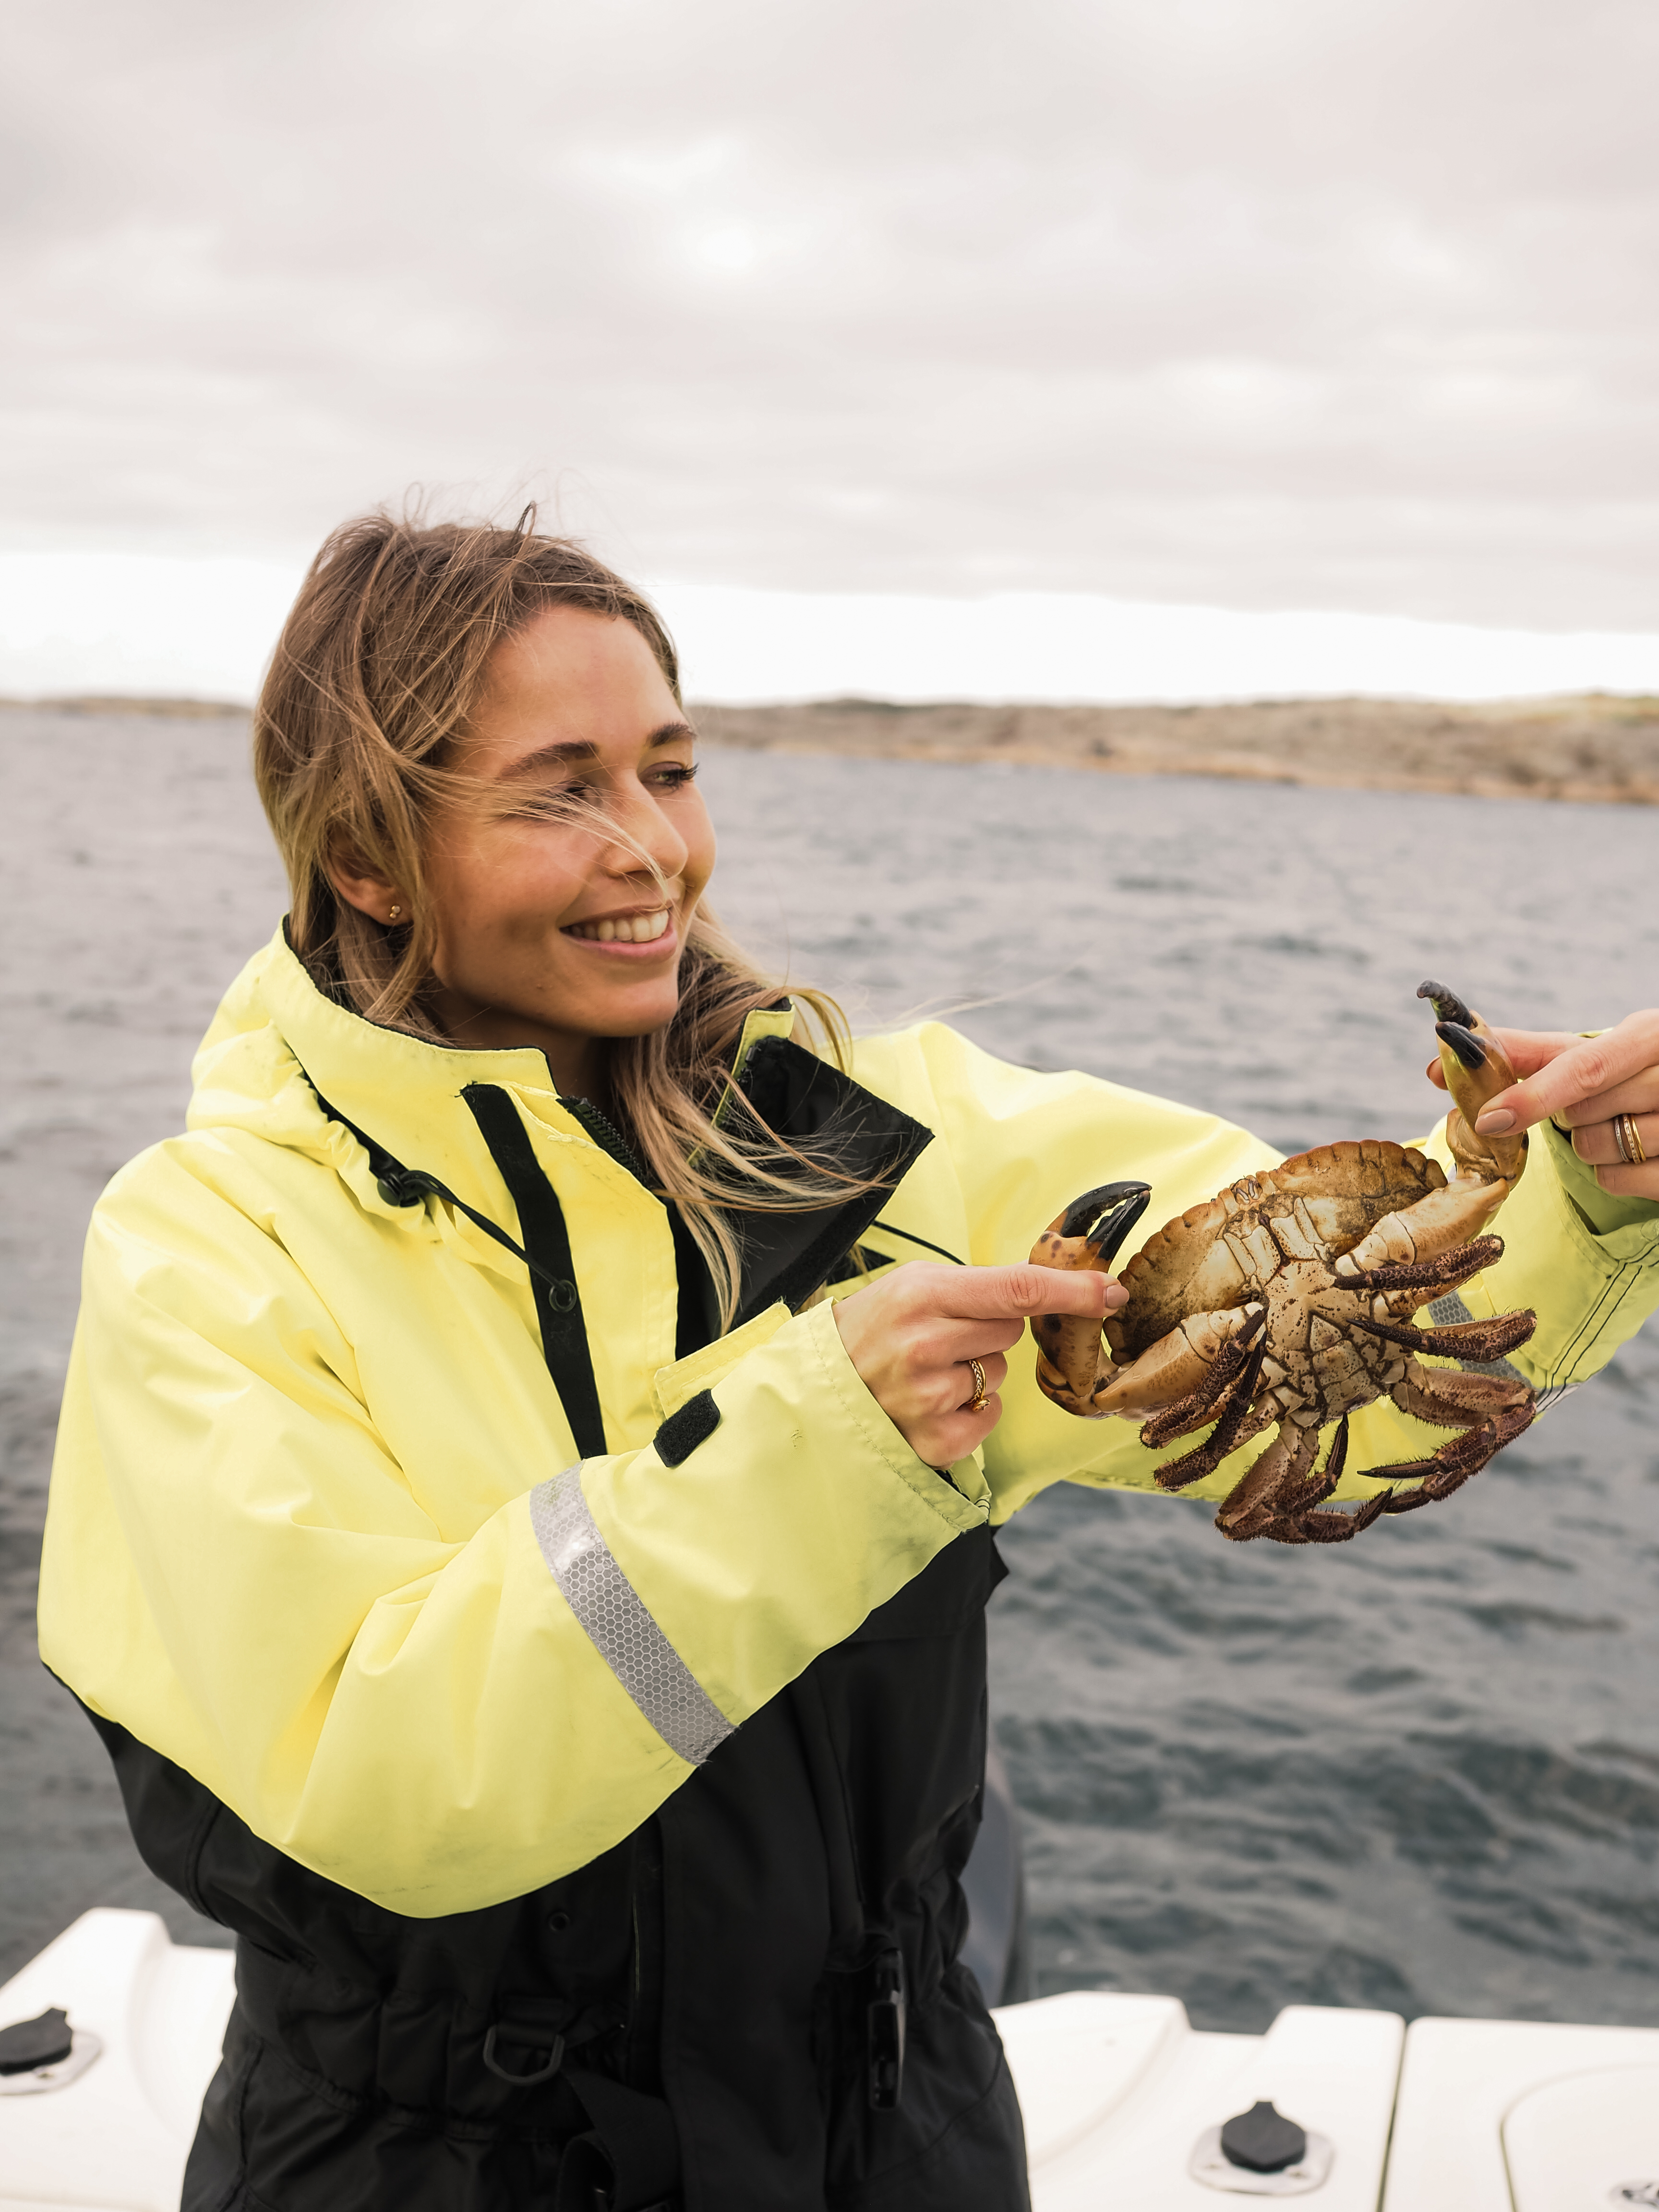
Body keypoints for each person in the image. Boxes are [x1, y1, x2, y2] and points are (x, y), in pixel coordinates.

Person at [36, 514, 1659, 2212]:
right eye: (559, 790)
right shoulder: (210, 1249)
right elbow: (385, 1787)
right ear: (368, 857)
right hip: (430, 2161)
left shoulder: (873, 1146)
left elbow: (1317, 1352)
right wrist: (817, 1451)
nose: (652, 848)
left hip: (894, 2127)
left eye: (670, 769)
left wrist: (1578, 1196)